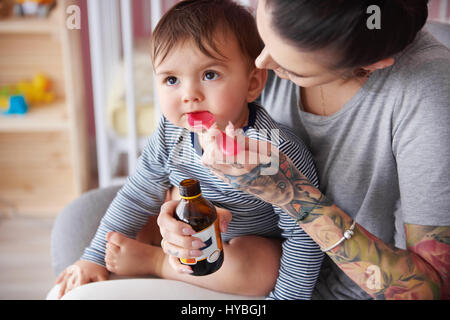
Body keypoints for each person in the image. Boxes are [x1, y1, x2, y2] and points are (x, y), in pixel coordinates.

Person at [159, 0, 450, 299]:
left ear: (371, 65)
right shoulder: (268, 26)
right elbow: (173, 155)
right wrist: (186, 210)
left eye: (289, 68)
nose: (260, 63)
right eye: (264, 30)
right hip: (250, 266)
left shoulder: (429, 95)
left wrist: (294, 194)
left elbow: (430, 291)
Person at [54, 0, 323, 300]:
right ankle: (145, 263)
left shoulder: (275, 148)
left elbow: (304, 236)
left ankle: (155, 263)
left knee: (260, 263)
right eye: (171, 79)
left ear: (252, 83)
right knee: (135, 226)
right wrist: (92, 257)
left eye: (209, 75)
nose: (189, 95)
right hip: (187, 240)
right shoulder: (171, 133)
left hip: (241, 248)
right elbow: (137, 193)